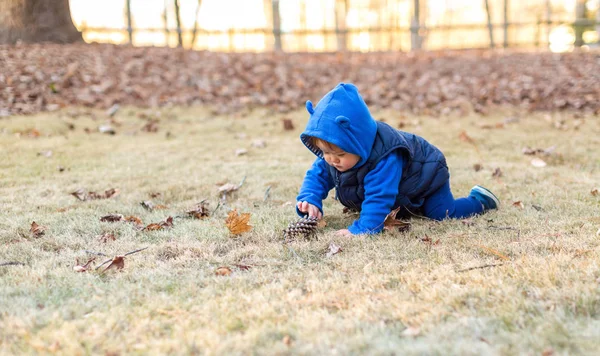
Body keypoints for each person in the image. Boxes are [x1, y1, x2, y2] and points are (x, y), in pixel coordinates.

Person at [295, 83, 499, 236]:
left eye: (340, 155)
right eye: (325, 152)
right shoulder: (332, 156)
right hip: (403, 186)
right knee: (407, 208)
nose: (331, 160)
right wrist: (310, 199)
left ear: (360, 144)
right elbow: (318, 175)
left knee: (440, 213)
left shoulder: (385, 158)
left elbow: (379, 196)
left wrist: (363, 229)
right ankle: (409, 204)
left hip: (427, 174)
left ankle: (479, 202)